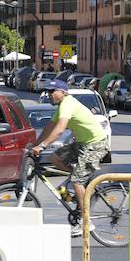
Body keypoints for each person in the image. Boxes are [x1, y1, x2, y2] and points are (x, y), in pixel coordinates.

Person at [32, 79, 109, 237]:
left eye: (52, 92)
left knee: (76, 181)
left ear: (63, 92)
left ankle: (86, 222)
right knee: (55, 158)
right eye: (47, 92)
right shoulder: (61, 106)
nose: (49, 95)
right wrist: (34, 144)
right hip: (83, 144)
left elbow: (59, 130)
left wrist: (43, 146)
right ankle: (81, 180)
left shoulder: (68, 103)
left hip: (96, 144)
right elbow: (49, 128)